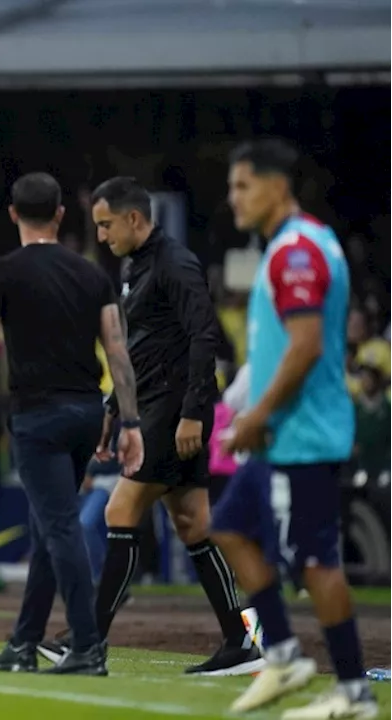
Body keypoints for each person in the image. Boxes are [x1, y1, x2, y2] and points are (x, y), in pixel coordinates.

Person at [39, 176, 258, 675]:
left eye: (106, 225)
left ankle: (89, 642)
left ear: (134, 218)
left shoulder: (175, 264)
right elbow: (142, 346)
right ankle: (242, 640)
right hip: (156, 405)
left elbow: (206, 339)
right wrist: (115, 406)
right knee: (194, 524)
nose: (101, 236)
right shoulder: (135, 264)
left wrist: (192, 414)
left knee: (120, 509)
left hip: (173, 409)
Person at [0, 172, 143, 676]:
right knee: (46, 527)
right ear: (58, 214)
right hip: (86, 412)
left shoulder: (4, 272)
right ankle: (24, 641)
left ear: (13, 214)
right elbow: (118, 353)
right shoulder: (92, 274)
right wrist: (131, 422)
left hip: (38, 416)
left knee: (59, 529)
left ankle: (88, 646)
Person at [215, 139, 378, 718]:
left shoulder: (297, 253)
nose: (233, 198)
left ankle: (353, 693)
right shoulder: (299, 244)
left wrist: (257, 416)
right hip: (282, 435)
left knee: (316, 563)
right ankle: (282, 654)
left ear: (276, 187)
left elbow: (306, 347)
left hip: (300, 437)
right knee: (228, 526)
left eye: (242, 186)